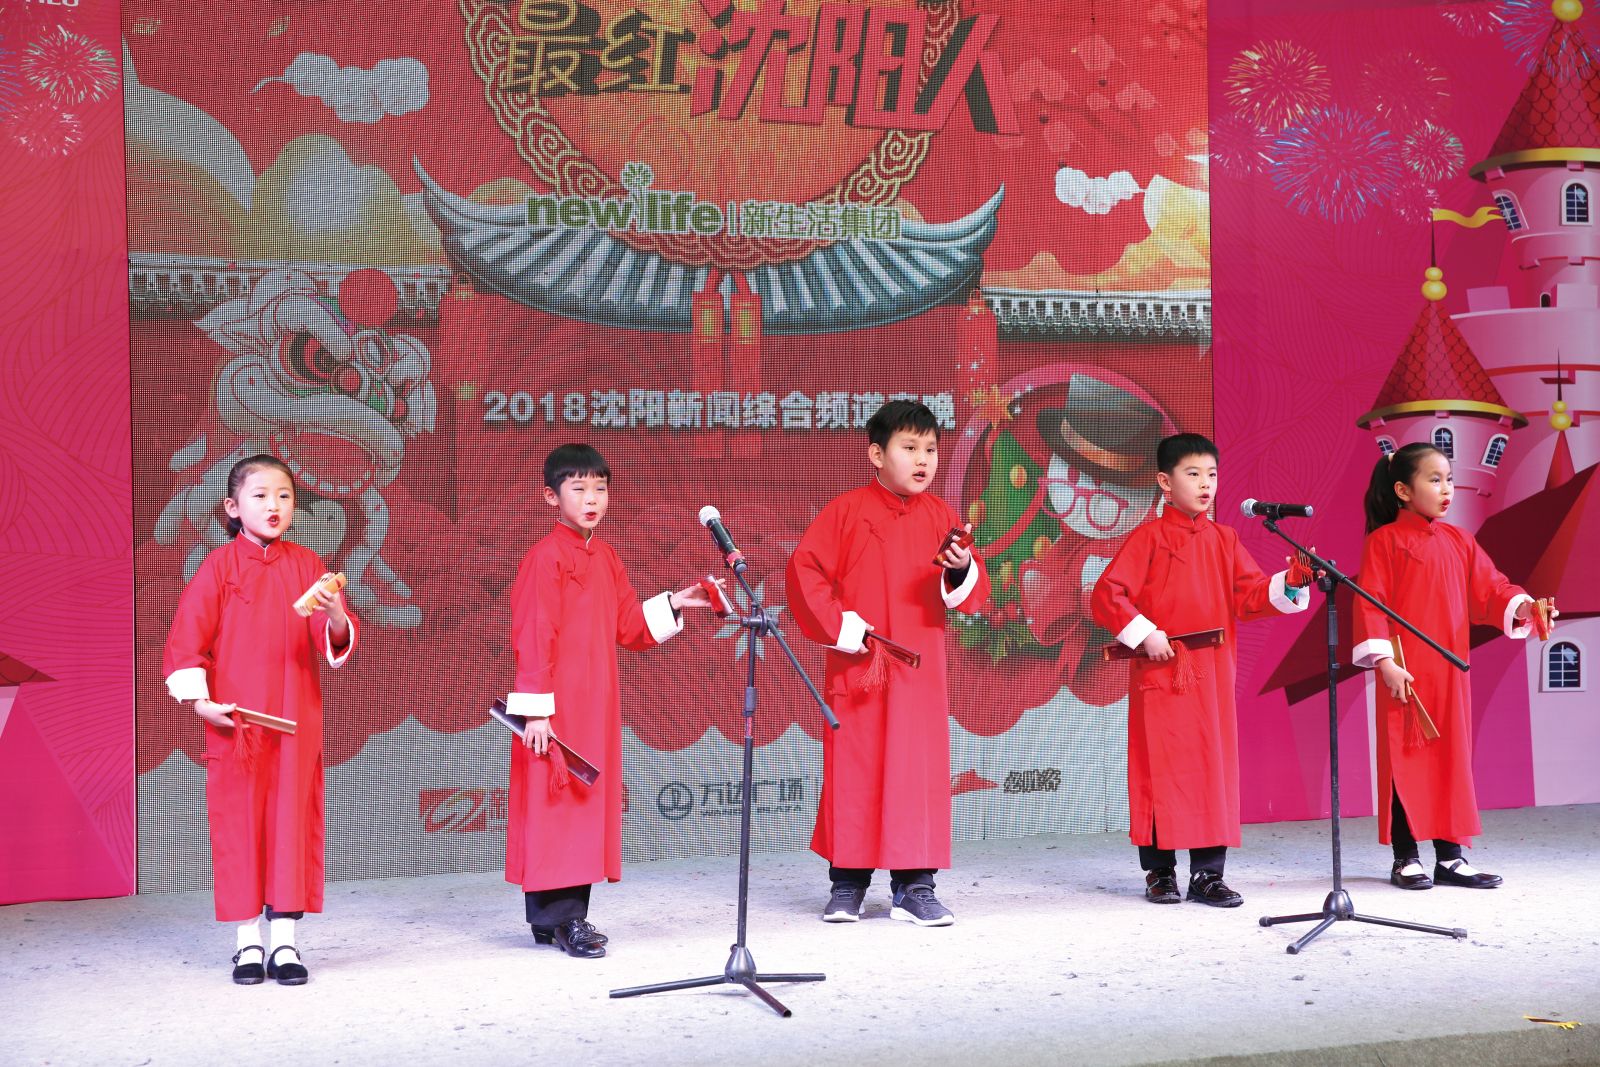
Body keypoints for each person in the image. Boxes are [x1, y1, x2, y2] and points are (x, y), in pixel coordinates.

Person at [505, 443, 718, 958]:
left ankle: (554, 919)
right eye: (578, 488)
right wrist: (537, 711)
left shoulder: (605, 555)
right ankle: (563, 919)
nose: (591, 499)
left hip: (594, 705)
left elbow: (628, 625)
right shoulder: (545, 557)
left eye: (600, 488)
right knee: (556, 806)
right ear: (551, 497)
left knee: (579, 805)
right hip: (555, 707)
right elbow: (534, 633)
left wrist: (674, 602)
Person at [786, 400, 990, 927]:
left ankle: (915, 886)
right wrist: (844, 628)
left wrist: (961, 568)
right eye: (909, 448)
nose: (923, 460)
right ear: (877, 454)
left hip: (919, 672)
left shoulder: (942, 515)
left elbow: (971, 594)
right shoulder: (846, 511)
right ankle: (848, 884)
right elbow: (805, 574)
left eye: (931, 450)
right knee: (855, 770)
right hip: (861, 666)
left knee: (916, 772)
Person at [1091, 432, 1310, 908]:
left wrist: (1289, 582)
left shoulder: (1225, 538)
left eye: (1211, 474)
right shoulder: (1147, 537)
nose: (1205, 483)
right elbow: (1107, 594)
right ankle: (1160, 872)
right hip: (1161, 671)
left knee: (1212, 769)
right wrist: (1145, 633)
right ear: (1164, 482)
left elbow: (1250, 596)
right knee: (1160, 770)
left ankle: (1208, 875)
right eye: (1193, 474)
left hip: (1210, 673)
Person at [163, 454, 359, 986]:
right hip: (237, 723)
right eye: (260, 495)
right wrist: (201, 703)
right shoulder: (218, 567)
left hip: (295, 720)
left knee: (291, 825)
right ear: (233, 507)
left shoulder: (308, 564)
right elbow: (187, 642)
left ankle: (286, 944)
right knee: (240, 826)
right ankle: (247, 943)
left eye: (284, 496)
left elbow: (331, 641)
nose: (274, 505)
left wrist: (336, 614)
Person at [1352, 442, 1545, 891]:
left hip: (1450, 670)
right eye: (1434, 480)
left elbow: (1492, 589)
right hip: (1405, 671)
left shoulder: (1459, 540)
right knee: (1405, 760)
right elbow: (1371, 604)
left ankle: (1450, 857)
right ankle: (1406, 857)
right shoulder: (1384, 541)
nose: (1446, 489)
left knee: (1449, 761)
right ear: (1403, 490)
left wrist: (1524, 607)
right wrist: (1385, 662)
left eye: (1450, 480)